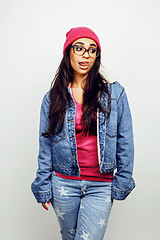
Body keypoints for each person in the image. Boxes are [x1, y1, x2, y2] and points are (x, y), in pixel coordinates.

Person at [31, 27, 135, 240]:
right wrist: (42, 184)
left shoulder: (115, 92)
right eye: (79, 48)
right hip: (63, 183)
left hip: (101, 185)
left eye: (92, 50)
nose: (86, 55)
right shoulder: (52, 98)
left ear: (97, 55)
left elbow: (126, 138)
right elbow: (46, 144)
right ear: (68, 51)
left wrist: (123, 178)